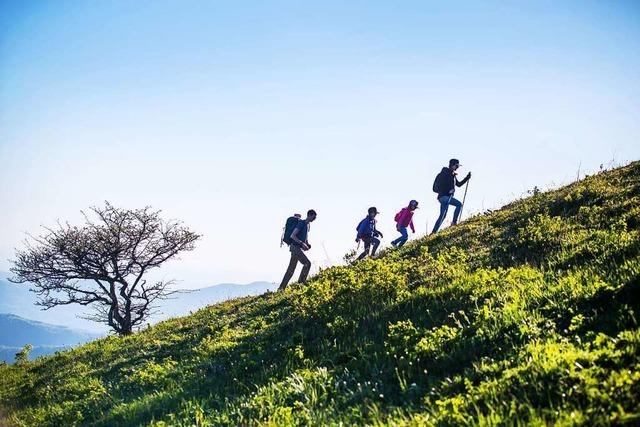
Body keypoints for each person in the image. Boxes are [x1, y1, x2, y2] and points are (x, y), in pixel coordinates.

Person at [279, 209, 317, 291]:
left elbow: (304, 238)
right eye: (314, 217)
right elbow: (293, 236)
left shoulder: (307, 226)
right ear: (309, 215)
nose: (314, 219)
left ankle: (281, 288)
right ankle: (301, 283)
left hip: (296, 247)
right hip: (295, 247)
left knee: (291, 270)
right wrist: (301, 244)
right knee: (307, 263)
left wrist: (307, 244)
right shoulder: (301, 223)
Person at [431, 158, 471, 233]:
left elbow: (458, 184)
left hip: (446, 197)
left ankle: (434, 232)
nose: (457, 168)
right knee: (459, 204)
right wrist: (448, 191)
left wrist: (467, 178)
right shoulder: (445, 173)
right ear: (452, 165)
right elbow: (440, 186)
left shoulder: (452, 174)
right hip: (444, 197)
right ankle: (454, 223)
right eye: (456, 166)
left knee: (443, 215)